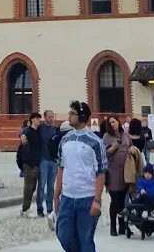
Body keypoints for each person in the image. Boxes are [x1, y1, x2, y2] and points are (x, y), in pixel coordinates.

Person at [53, 100, 107, 252]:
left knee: (85, 240)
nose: (69, 116)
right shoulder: (65, 139)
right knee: (64, 235)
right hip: (68, 198)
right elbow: (61, 168)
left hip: (87, 198)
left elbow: (101, 172)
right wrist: (56, 195)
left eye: (73, 113)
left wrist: (97, 200)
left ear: (82, 116)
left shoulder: (95, 142)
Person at [101, 115, 132, 236]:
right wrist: (113, 148)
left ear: (118, 122)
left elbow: (131, 147)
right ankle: (113, 227)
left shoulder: (125, 135)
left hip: (125, 172)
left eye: (114, 122)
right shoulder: (106, 137)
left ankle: (122, 226)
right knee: (115, 200)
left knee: (122, 201)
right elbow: (103, 154)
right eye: (110, 123)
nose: (112, 124)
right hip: (113, 172)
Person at [18, 112, 44, 217]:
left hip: (37, 163)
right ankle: (25, 209)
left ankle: (26, 208)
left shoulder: (39, 131)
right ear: (32, 120)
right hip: (28, 164)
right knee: (28, 187)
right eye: (37, 119)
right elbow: (23, 148)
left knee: (33, 187)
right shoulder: (27, 132)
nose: (39, 121)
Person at [38, 110, 60, 222]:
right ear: (45, 117)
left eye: (52, 116)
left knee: (51, 186)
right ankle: (39, 208)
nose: (51, 119)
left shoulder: (55, 129)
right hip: (43, 159)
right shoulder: (40, 128)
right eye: (49, 117)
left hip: (53, 160)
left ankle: (50, 208)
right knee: (41, 185)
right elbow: (27, 130)